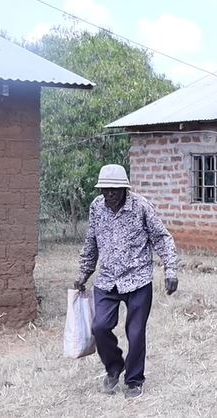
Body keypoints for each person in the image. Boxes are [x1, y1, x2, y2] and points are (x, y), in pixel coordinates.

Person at [73, 164, 179, 399]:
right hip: (107, 280)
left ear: (125, 189)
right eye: (105, 190)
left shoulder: (140, 206)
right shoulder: (96, 208)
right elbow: (91, 243)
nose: (110, 194)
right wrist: (84, 273)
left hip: (138, 279)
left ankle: (134, 380)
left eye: (115, 189)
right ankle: (113, 367)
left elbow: (162, 238)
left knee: (136, 331)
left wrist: (170, 269)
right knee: (99, 326)